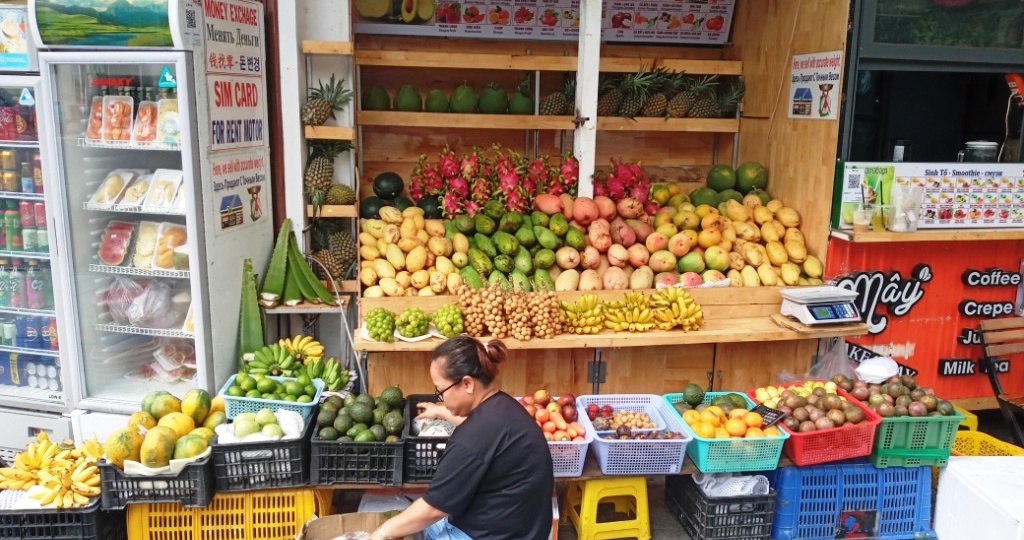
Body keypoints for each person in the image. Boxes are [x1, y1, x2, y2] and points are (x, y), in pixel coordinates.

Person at [369, 336, 554, 540]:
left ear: (467, 383)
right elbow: (486, 438)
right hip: (527, 529)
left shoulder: (472, 439)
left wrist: (381, 533)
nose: (441, 398)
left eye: (441, 392)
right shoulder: (504, 406)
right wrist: (442, 412)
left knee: (414, 519)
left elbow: (434, 508)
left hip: (496, 534)